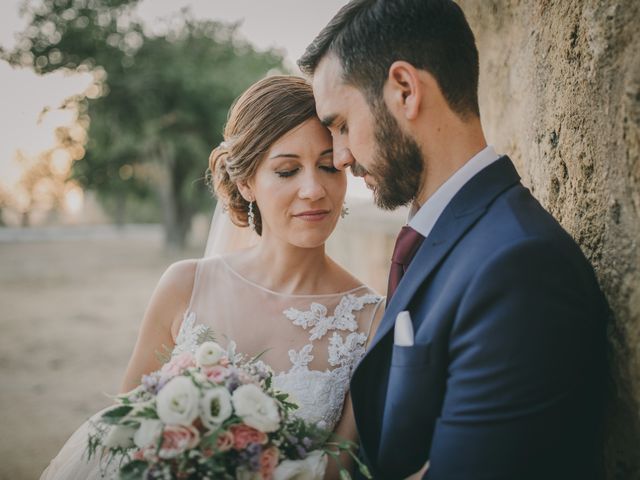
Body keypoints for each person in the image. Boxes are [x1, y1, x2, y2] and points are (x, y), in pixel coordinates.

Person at [298, 1, 608, 479]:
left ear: (404, 90)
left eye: (341, 125)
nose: (340, 156)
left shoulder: (519, 267)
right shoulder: (447, 236)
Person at [40, 75, 384, 480]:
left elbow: (337, 466)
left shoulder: (370, 320)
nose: (313, 189)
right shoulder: (184, 285)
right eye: (288, 170)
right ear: (246, 183)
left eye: (328, 166)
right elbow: (123, 435)